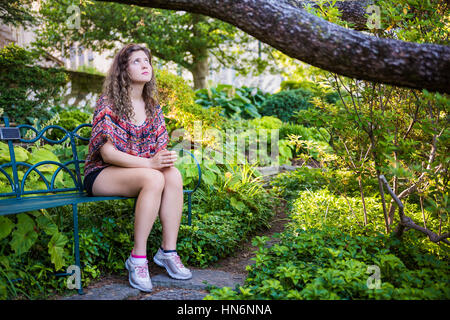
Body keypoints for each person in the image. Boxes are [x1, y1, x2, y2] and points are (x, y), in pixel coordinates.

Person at [83, 43, 192, 292]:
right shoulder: (108, 102)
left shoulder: (153, 106)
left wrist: (162, 159)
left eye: (147, 61)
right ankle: (138, 258)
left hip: (140, 171)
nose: (145, 65)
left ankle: (168, 251)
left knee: (172, 175)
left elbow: (157, 150)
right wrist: (151, 164)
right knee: (153, 179)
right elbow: (107, 153)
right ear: (123, 69)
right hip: (102, 174)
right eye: (136, 61)